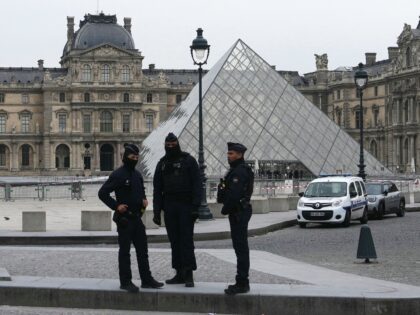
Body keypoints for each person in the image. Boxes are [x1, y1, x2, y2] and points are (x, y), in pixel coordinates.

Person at [98, 144, 163, 293]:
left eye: (136, 157)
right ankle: (125, 281)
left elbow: (141, 191)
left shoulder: (137, 175)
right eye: (132, 157)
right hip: (124, 219)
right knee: (125, 252)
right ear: (125, 157)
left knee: (143, 251)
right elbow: (102, 193)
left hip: (137, 218)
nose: (134, 159)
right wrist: (116, 206)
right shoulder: (117, 174)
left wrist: (144, 200)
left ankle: (146, 280)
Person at [152, 133, 201, 287]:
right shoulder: (161, 164)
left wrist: (195, 207)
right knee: (174, 241)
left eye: (173, 144)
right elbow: (157, 189)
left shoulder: (189, 161)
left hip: (186, 206)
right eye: (168, 145)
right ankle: (179, 272)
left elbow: (197, 185)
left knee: (186, 240)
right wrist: (156, 211)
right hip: (170, 206)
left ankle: (189, 273)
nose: (171, 147)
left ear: (178, 144)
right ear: (165, 145)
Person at [217, 142, 254, 295]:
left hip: (239, 212)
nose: (228, 156)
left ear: (239, 155)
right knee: (240, 247)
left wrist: (224, 209)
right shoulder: (235, 170)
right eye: (228, 153)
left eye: (231, 154)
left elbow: (234, 195)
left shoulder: (239, 172)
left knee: (241, 248)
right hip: (238, 211)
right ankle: (242, 280)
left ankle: (242, 282)